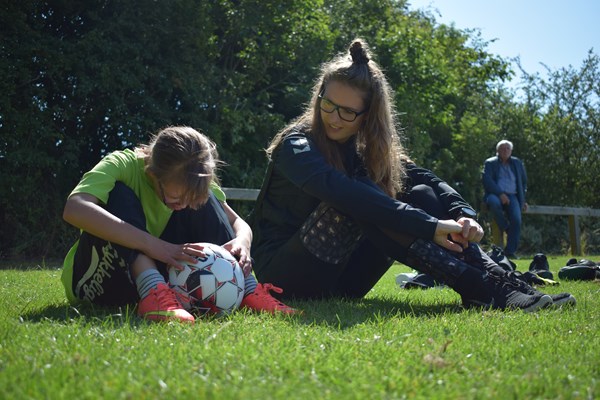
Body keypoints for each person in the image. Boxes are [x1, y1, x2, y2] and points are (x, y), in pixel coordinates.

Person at [249, 39, 572, 311]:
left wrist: (462, 214)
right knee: (357, 196)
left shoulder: (362, 149)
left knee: (417, 192)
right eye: (328, 105)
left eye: (348, 111)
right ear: (318, 97)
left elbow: (427, 179)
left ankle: (500, 281)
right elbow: (341, 192)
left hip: (343, 280)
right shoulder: (295, 144)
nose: (334, 117)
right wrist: (429, 226)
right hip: (282, 276)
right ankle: (478, 287)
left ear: (368, 115)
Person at [61, 126, 296, 324]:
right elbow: (75, 208)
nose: (182, 205)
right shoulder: (122, 164)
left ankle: (248, 289)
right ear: (152, 173)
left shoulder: (192, 183)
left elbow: (238, 222)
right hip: (97, 280)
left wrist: (242, 242)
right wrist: (155, 246)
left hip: (155, 278)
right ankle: (151, 289)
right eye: (175, 198)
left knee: (207, 201)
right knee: (119, 194)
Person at [482, 140, 528, 258]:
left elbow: (523, 183)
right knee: (493, 201)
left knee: (516, 219)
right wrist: (500, 194)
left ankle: (510, 252)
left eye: (508, 148)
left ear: (511, 151)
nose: (505, 150)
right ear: (497, 151)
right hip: (495, 194)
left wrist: (523, 201)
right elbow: (487, 181)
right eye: (502, 148)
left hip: (513, 196)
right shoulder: (490, 162)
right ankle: (505, 227)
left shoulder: (517, 163)